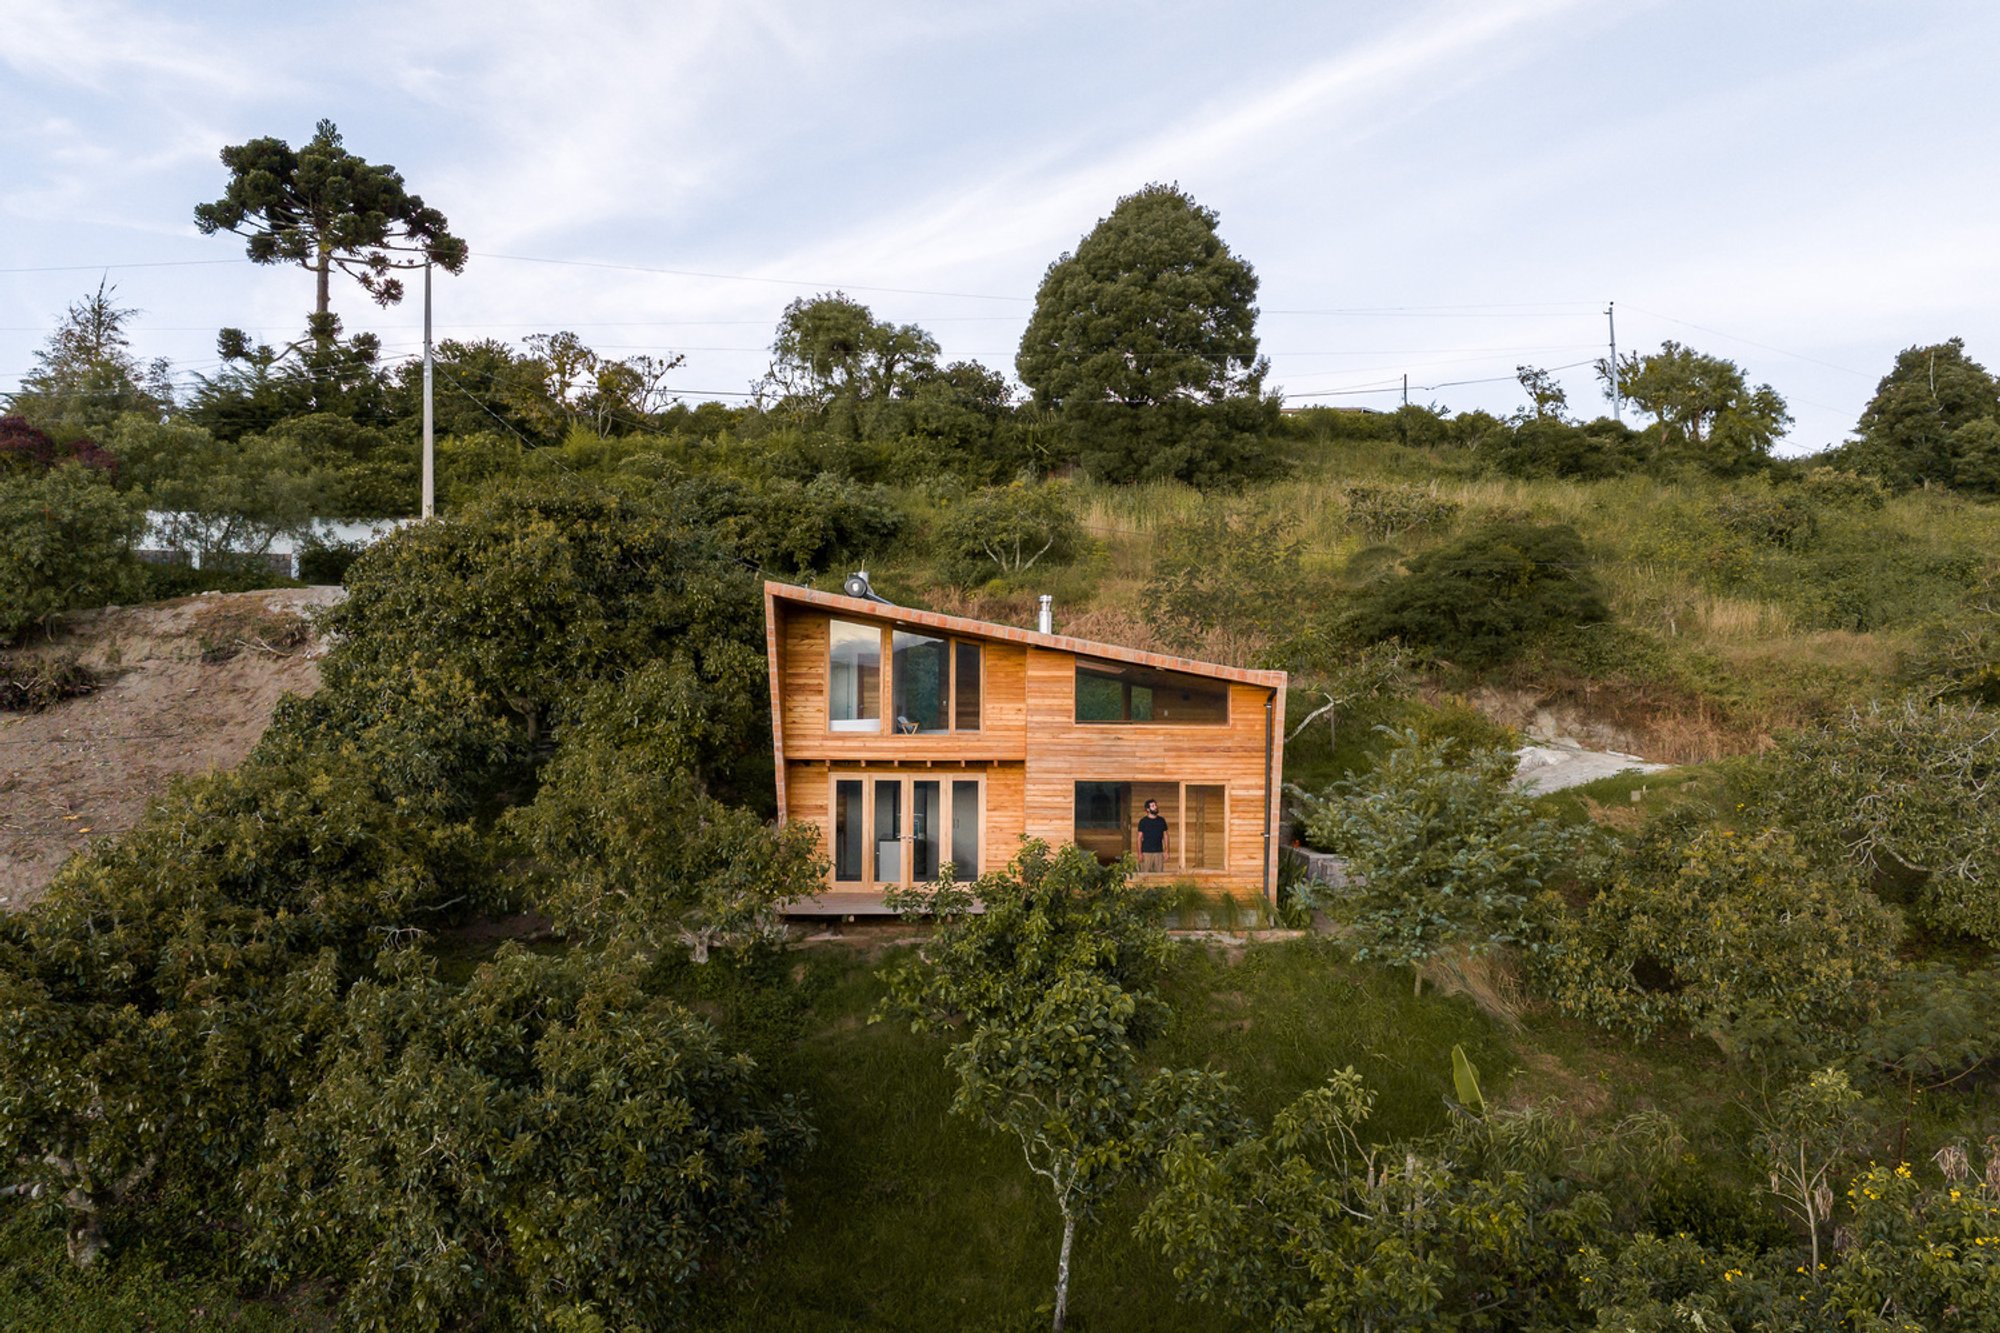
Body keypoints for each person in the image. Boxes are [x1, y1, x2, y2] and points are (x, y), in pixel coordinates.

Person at [1136, 798, 1169, 873]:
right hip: (1146, 853)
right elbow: (1139, 838)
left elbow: (1166, 836)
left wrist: (1167, 851)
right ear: (1148, 809)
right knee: (1144, 875)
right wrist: (1139, 853)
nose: (1155, 807)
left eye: (1155, 805)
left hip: (1159, 853)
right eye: (1153, 806)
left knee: (1159, 875)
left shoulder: (1161, 820)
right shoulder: (1143, 821)